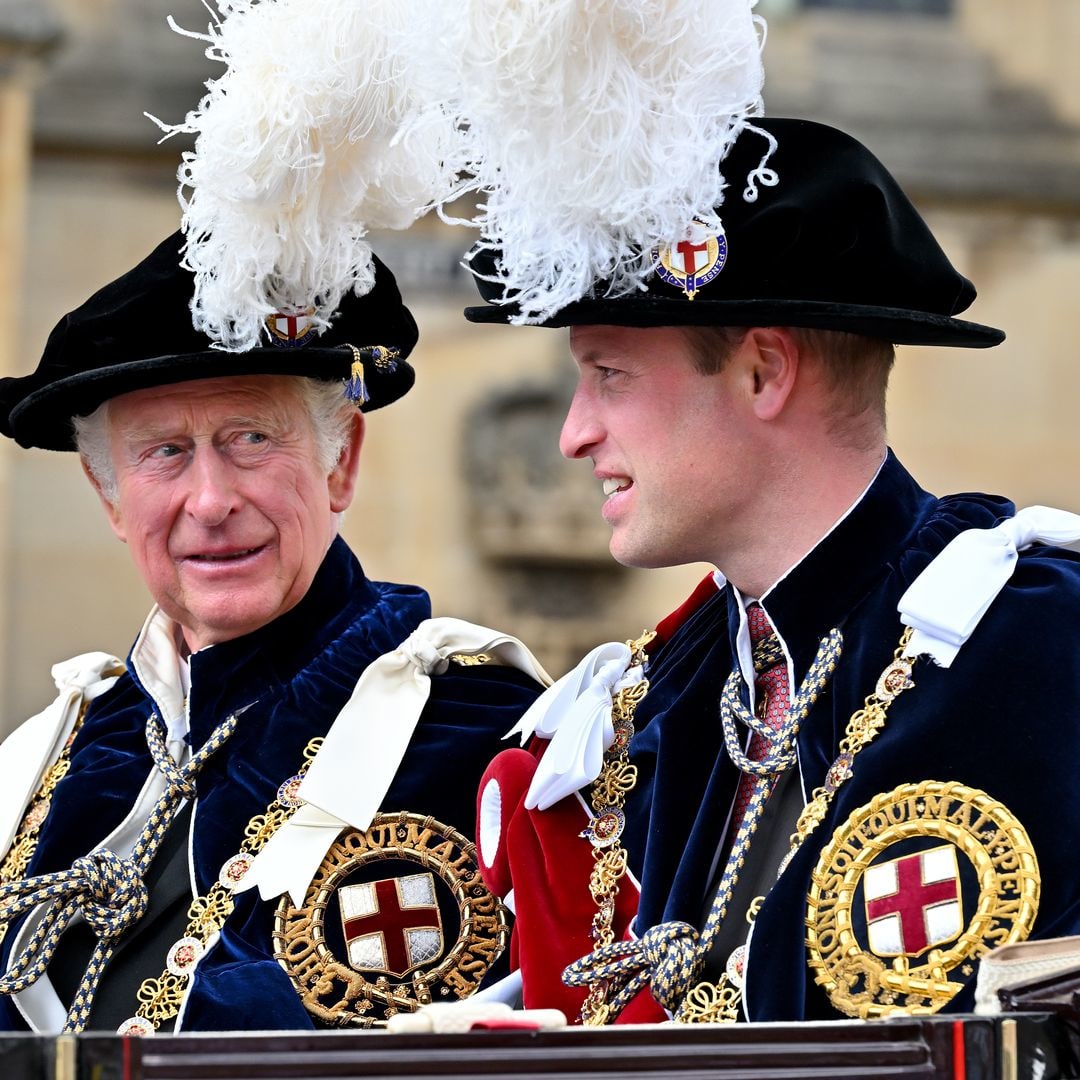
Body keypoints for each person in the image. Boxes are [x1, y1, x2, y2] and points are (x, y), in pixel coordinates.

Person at [463, 116, 1080, 1025]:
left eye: (610, 376)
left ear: (762, 373)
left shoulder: (1032, 647)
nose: (574, 433)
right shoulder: (658, 702)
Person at [0, 232, 545, 1034]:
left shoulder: (475, 728)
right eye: (165, 453)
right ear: (110, 496)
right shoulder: (52, 752)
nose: (211, 499)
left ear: (341, 463)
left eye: (250, 438)